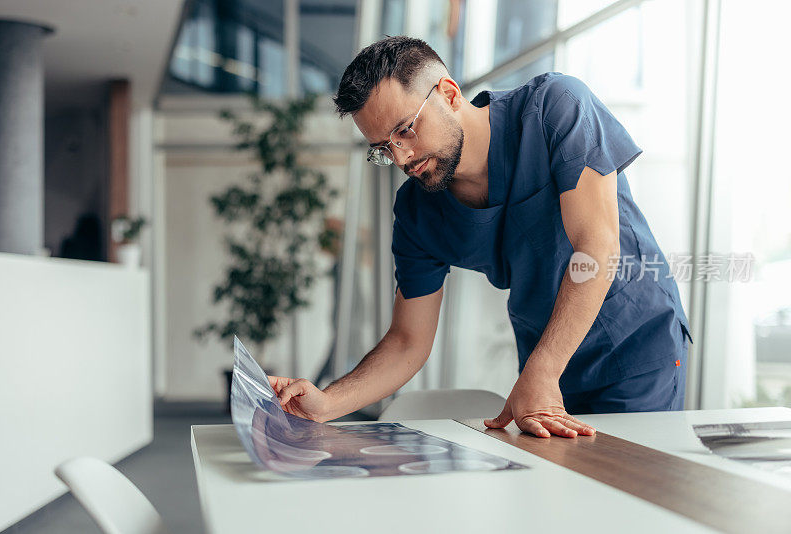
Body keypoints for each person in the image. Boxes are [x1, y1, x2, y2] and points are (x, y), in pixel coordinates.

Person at [269, 36, 692, 438]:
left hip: (633, 348)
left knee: (630, 499)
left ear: (450, 94)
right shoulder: (418, 213)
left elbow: (596, 248)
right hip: (543, 366)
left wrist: (541, 374)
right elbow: (407, 342)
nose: (401, 157)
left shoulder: (556, 109)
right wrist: (327, 403)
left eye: (406, 130)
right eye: (383, 148)